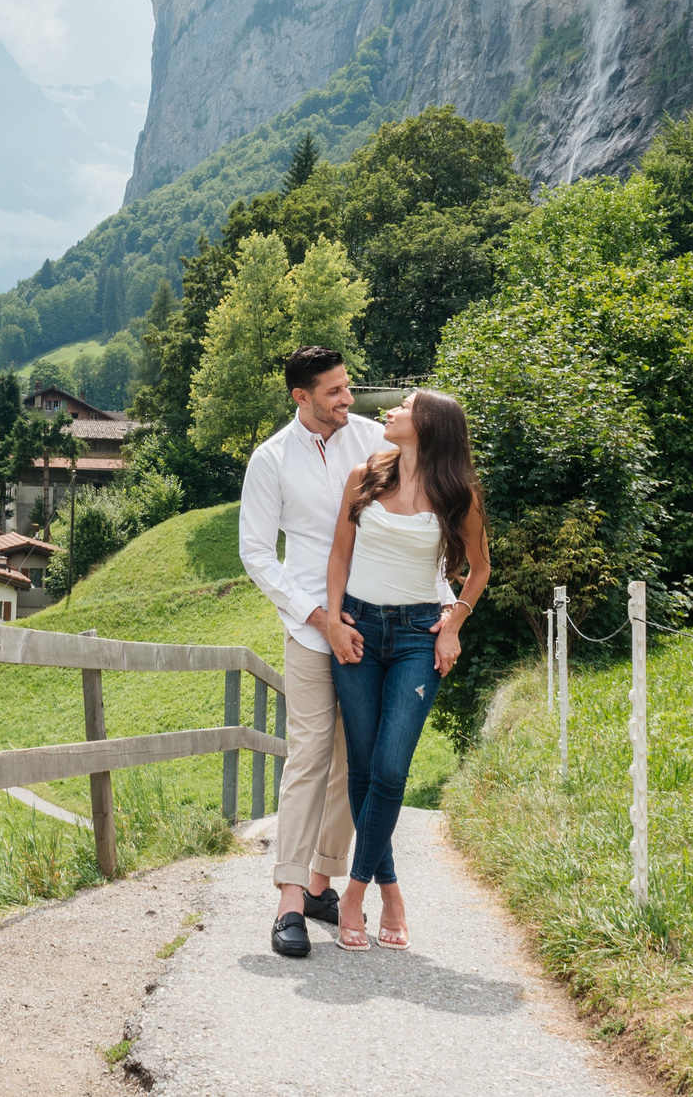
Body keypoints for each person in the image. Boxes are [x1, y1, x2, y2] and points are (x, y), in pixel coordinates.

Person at [239, 346, 452, 959]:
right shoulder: (271, 459)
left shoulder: (374, 444)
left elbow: (424, 528)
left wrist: (443, 611)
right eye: (332, 391)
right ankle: (288, 904)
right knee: (310, 752)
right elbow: (256, 552)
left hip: (383, 624)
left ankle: (321, 883)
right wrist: (318, 618)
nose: (347, 399)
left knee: (355, 760)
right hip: (310, 625)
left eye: (347, 386)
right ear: (300, 397)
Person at [320, 389, 489, 951]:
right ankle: (389, 890)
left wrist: (455, 622)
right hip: (359, 630)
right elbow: (339, 555)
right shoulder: (365, 474)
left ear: (429, 426)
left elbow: (480, 568)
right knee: (364, 770)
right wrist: (333, 623)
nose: (389, 411)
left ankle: (355, 891)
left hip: (419, 635)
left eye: (404, 406)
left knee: (391, 767)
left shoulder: (455, 493)